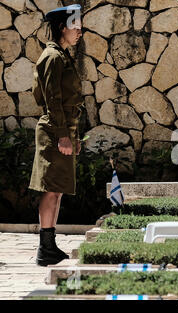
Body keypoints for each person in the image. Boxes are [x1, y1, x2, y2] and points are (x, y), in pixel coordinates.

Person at [29, 4, 83, 266]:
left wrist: (73, 136)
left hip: (62, 130)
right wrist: (62, 136)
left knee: (58, 189)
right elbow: (52, 99)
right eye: (75, 25)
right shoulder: (53, 57)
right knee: (51, 190)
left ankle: (49, 246)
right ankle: (44, 248)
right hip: (53, 131)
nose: (79, 31)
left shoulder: (63, 55)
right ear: (62, 27)